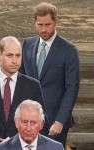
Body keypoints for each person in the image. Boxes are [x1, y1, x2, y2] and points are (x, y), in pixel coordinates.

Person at [19, 2, 80, 149]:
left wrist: (60, 121)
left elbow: (71, 89)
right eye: (40, 25)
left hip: (55, 121)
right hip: (29, 120)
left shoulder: (69, 50)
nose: (44, 29)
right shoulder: (27, 44)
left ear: (56, 22)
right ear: (35, 23)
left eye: (48, 24)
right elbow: (20, 81)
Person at [0, 99, 64, 150]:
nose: (28, 128)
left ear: (41, 124)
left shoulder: (56, 148)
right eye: (25, 122)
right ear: (16, 122)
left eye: (33, 123)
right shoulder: (1, 149)